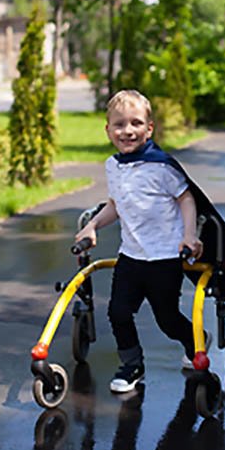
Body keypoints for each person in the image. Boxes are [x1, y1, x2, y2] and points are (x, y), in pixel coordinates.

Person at [75, 89, 208, 393]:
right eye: (119, 124)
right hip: (131, 256)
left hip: (163, 257)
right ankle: (132, 365)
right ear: (108, 130)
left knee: (167, 318)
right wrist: (93, 225)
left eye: (136, 123)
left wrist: (189, 235)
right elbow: (116, 206)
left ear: (149, 129)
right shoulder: (113, 166)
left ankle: (195, 340)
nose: (128, 131)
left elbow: (186, 199)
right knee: (118, 312)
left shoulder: (161, 167)